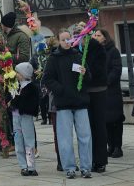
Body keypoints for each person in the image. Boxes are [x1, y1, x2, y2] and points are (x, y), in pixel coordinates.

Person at [43, 29, 93, 179]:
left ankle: (86, 167)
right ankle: (69, 167)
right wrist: (61, 90)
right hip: (63, 102)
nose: (66, 42)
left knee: (85, 136)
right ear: (58, 41)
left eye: (68, 39)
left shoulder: (78, 55)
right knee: (65, 138)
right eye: (63, 39)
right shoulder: (54, 58)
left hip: (80, 101)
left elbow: (89, 78)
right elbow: (48, 79)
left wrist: (85, 74)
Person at [83, 29, 110, 173]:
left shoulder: (98, 49)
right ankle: (91, 159)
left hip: (98, 90)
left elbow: (98, 70)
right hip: (86, 92)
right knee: (88, 128)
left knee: (99, 126)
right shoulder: (80, 49)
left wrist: (85, 71)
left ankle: (100, 161)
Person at [94, 29, 125, 158]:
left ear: (105, 37)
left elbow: (116, 69)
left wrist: (106, 81)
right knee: (105, 121)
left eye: (98, 35)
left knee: (115, 120)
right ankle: (110, 145)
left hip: (112, 91)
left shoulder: (113, 51)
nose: (95, 37)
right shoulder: (95, 51)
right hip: (100, 91)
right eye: (95, 35)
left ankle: (117, 146)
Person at [10, 62, 39, 176]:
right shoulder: (17, 86)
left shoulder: (31, 88)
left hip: (26, 116)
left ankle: (31, 166)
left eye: (18, 72)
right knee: (18, 140)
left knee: (29, 140)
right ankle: (23, 166)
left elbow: (26, 103)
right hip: (16, 117)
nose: (16, 74)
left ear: (23, 74)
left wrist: (15, 101)